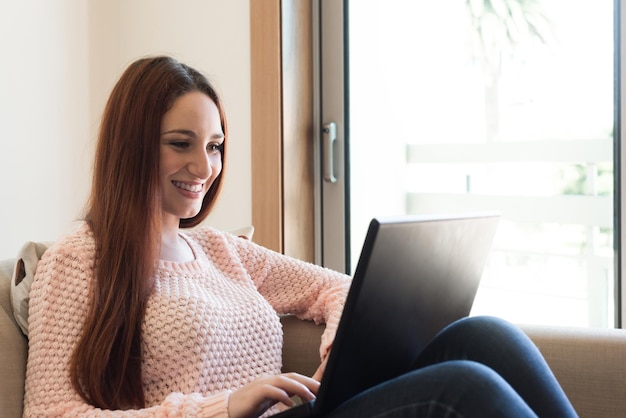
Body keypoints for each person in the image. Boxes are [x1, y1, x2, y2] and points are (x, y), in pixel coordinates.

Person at [22, 55, 578, 418]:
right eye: (181, 143)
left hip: (301, 413)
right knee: (462, 390)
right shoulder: (80, 258)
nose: (204, 165)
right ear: (132, 146)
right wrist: (221, 407)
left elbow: (337, 289)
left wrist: (338, 359)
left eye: (215, 146)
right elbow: (49, 412)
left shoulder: (220, 250)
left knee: (484, 335)